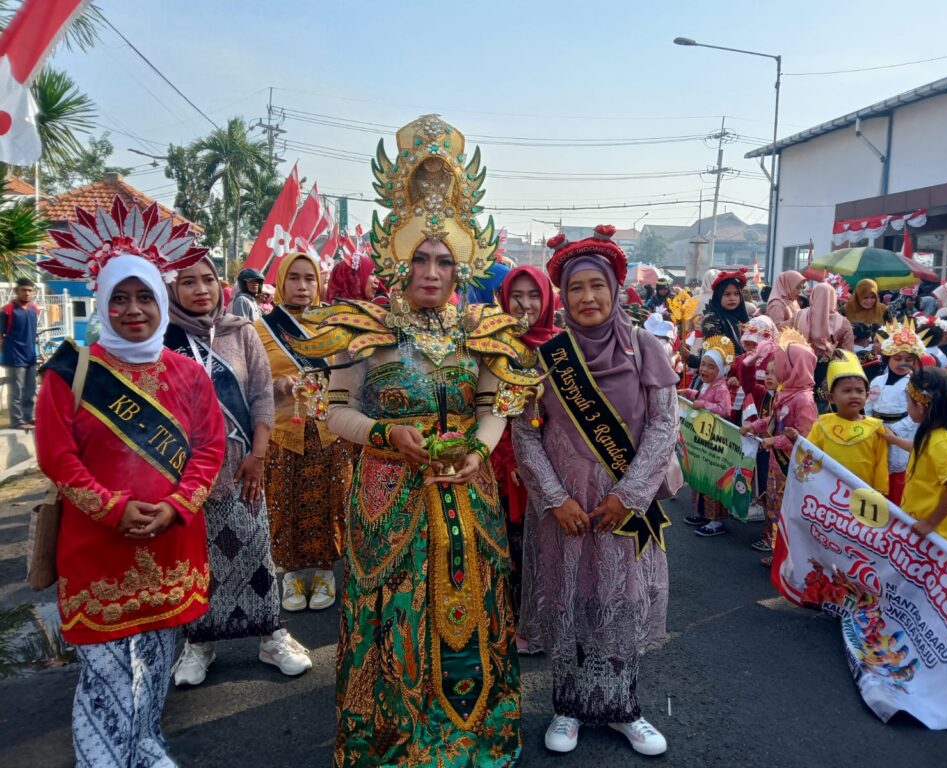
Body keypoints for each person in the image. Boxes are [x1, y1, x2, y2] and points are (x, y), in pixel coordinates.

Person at [288, 115, 533, 766]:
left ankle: (467, 743)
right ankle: (391, 747)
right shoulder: (363, 328)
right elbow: (334, 409)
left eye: (443, 259)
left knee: (471, 613)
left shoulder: (482, 328)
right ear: (398, 257)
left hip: (465, 493)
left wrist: (477, 449)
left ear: (461, 265)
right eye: (420, 257)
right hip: (386, 497)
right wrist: (384, 433)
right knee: (394, 617)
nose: (431, 269)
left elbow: (495, 405)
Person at [33, 198, 226, 767]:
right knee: (104, 674)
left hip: (172, 540)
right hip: (97, 550)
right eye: (120, 297)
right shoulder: (69, 373)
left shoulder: (190, 374)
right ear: (102, 302)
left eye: (145, 296)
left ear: (161, 301)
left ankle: (146, 748)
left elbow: (209, 448)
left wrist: (174, 507)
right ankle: (102, 758)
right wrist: (114, 508)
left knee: (155, 663)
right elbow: (58, 458)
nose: (134, 309)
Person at [514, 226, 678, 756]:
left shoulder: (645, 346)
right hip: (566, 502)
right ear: (562, 296)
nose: (588, 298)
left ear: (614, 290)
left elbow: (662, 427)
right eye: (576, 288)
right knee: (570, 595)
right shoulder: (548, 356)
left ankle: (625, 709)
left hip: (624, 501)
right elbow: (524, 430)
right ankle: (568, 707)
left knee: (622, 597)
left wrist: (629, 495)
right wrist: (554, 498)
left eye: (597, 287)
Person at [165, 257, 312, 686]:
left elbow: (262, 395)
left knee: (254, 550)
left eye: (208, 279)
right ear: (172, 290)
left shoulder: (240, 331)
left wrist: (259, 455)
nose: (200, 289)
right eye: (187, 281)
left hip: (243, 465)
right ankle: (197, 644)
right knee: (200, 562)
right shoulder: (164, 338)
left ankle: (271, 635)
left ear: (220, 284)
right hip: (187, 474)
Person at [256, 251, 352, 612]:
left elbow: (350, 377)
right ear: (281, 282)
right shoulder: (261, 329)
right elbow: (249, 380)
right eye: (294, 278)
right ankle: (291, 576)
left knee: (330, 503)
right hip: (285, 432)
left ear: (319, 282)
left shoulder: (334, 326)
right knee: (284, 504)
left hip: (330, 432)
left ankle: (326, 573)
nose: (302, 286)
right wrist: (275, 383)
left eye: (309, 278)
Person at [492, 264, 559, 637]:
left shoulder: (562, 347)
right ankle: (511, 618)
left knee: (548, 546)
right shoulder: (490, 345)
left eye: (534, 295)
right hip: (503, 467)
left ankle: (544, 618)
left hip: (553, 466)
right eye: (516, 295)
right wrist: (509, 459)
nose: (524, 304)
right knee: (509, 546)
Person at [746, 329, 817, 564]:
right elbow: (774, 421)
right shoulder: (785, 392)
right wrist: (756, 426)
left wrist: (774, 440)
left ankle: (785, 556)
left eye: (779, 364)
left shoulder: (804, 400)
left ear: (794, 367)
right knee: (776, 502)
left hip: (793, 466)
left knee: (788, 506)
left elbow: (805, 437)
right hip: (778, 461)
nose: (774, 369)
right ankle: (777, 551)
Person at [886, 368, 947, 553]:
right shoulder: (933, 435)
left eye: (908, 401)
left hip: (940, 537)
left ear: (921, 406)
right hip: (929, 532)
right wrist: (893, 440)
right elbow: (920, 449)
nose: (907, 406)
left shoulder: (940, 441)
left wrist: (930, 523)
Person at [806, 351, 888, 495]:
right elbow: (809, 457)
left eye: (859, 391)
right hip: (827, 495)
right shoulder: (821, 425)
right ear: (831, 397)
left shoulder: (876, 428)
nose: (854, 395)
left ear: (867, 396)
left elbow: (881, 464)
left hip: (864, 496)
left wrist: (880, 493)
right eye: (847, 391)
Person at [681, 335, 735, 538]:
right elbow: (701, 398)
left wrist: (703, 404)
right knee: (700, 475)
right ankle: (702, 513)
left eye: (711, 366)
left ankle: (715, 521)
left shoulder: (721, 387)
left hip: (715, 441)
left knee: (713, 478)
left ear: (720, 370)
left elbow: (725, 409)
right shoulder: (706, 385)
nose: (704, 369)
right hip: (703, 438)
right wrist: (691, 394)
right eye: (703, 364)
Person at [866, 322, 925, 502]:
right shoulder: (877, 380)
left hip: (900, 433)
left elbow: (915, 417)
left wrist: (894, 432)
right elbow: (868, 406)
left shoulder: (914, 383)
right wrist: (870, 425)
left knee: (897, 475)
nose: (903, 363)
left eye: (908, 359)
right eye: (897, 358)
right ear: (888, 357)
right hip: (876, 431)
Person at [1, 276, 39, 429]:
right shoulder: (7, 310)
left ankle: (29, 417)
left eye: (30, 290)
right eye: (24, 290)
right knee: (16, 390)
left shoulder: (34, 309)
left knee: (30, 389)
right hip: (14, 356)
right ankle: (17, 421)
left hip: (30, 355)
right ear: (16, 291)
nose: (27, 293)